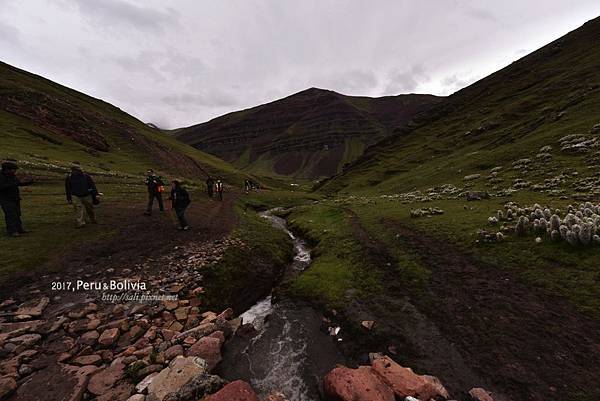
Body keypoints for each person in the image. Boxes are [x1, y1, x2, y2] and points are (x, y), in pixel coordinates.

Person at [0, 161, 33, 237]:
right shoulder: (1, 176)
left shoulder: (12, 175)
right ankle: (12, 231)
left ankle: (19, 229)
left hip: (15, 198)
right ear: (7, 169)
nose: (14, 171)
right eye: (13, 170)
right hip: (5, 199)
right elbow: (3, 186)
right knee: (10, 214)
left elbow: (18, 183)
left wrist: (29, 182)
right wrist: (17, 183)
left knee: (17, 214)